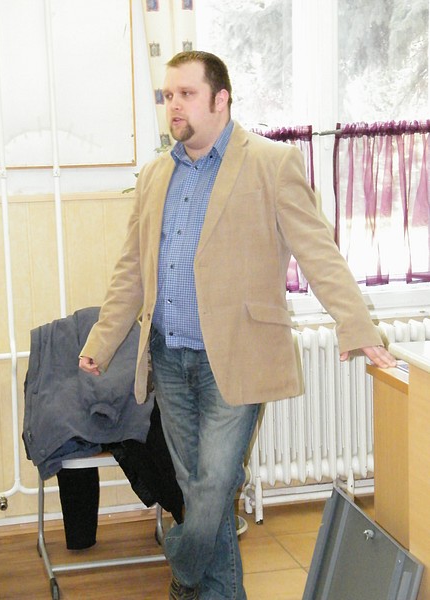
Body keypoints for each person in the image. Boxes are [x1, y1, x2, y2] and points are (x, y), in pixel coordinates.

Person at [79, 50, 396, 600]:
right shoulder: (155, 175)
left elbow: (317, 252)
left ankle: (182, 569)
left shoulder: (271, 163)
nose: (174, 106)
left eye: (186, 94)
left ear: (221, 99)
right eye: (168, 96)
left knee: (214, 485)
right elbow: (133, 269)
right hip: (169, 358)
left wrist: (358, 326)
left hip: (236, 358)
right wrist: (102, 342)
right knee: (198, 489)